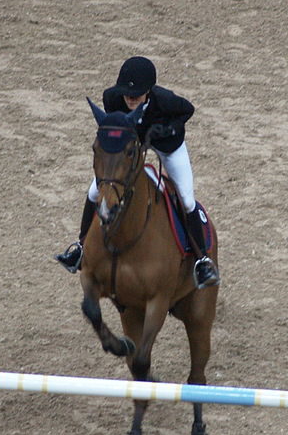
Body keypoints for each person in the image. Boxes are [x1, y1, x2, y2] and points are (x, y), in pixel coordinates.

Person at [55, 56, 220, 289]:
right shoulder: (111, 98)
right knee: (94, 191)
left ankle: (202, 260)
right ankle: (80, 248)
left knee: (186, 198)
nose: (131, 99)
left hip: (168, 146)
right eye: (127, 94)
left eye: (137, 95)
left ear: (149, 92)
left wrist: (163, 130)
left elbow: (188, 111)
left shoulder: (167, 101)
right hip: (133, 149)